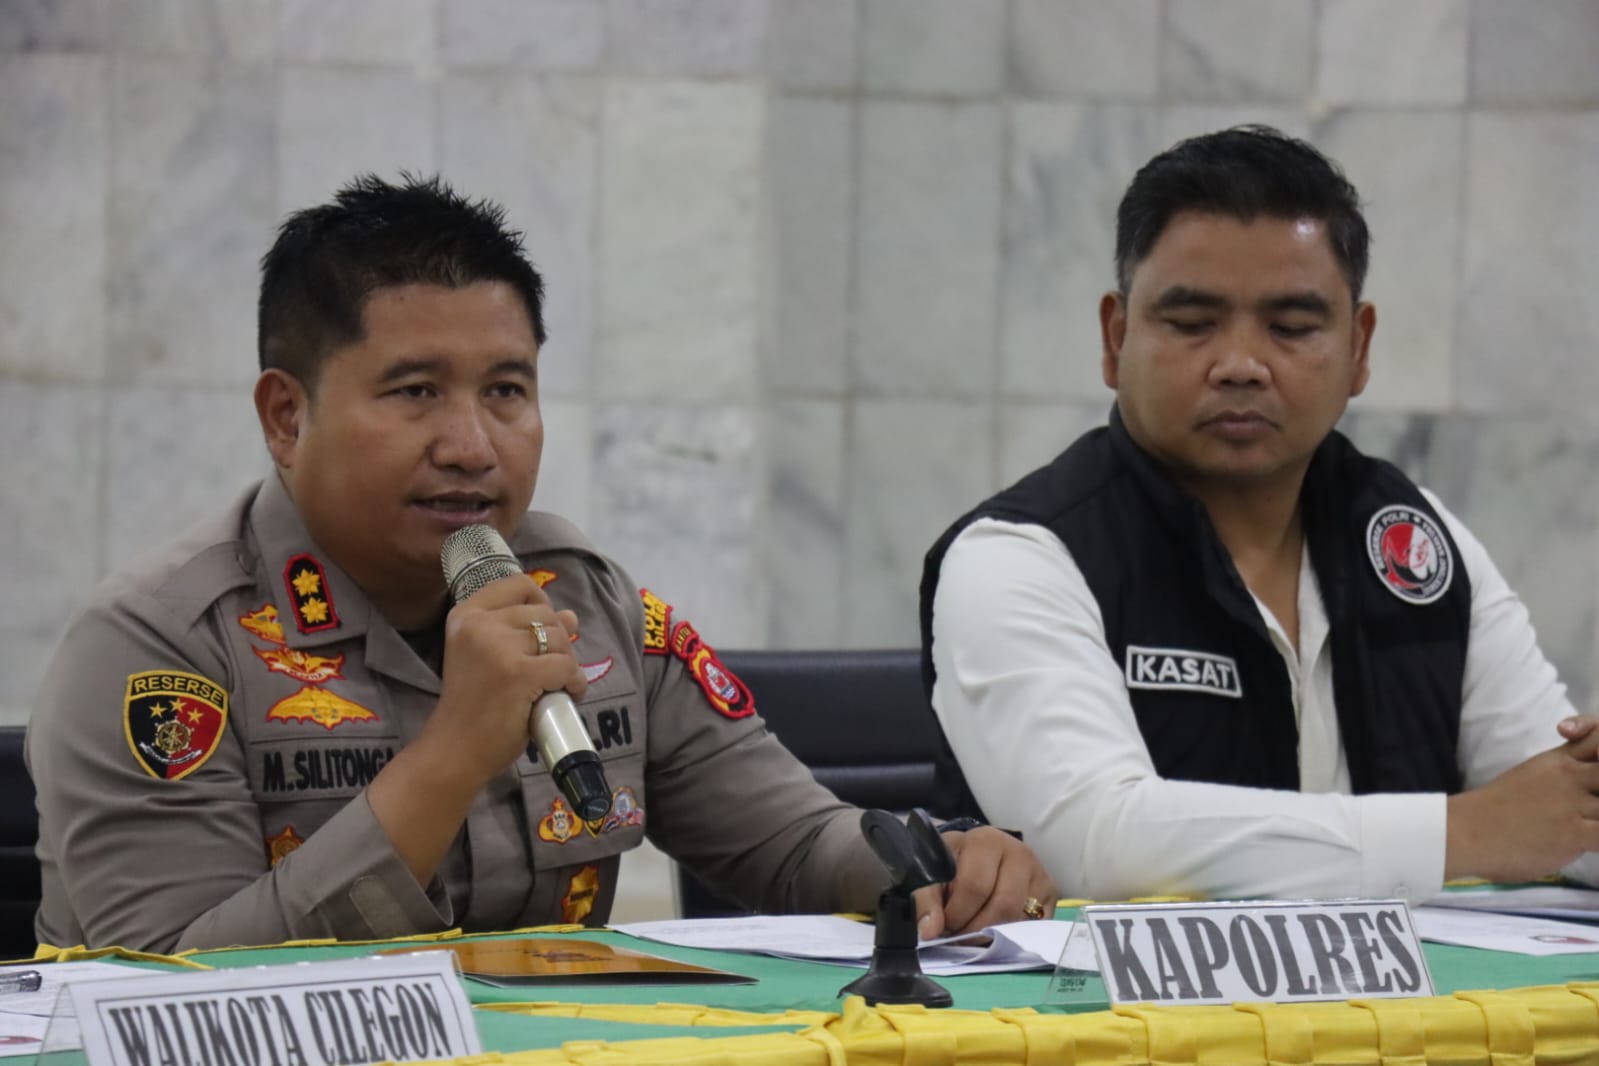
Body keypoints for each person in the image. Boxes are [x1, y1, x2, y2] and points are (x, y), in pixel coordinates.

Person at [28, 175, 1056, 954]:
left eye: (507, 391)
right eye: (415, 392)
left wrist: (936, 863)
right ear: (286, 417)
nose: (472, 445)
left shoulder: (586, 598)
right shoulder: (163, 643)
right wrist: (454, 750)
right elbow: (165, 988)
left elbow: (792, 841)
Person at [920, 126, 1599, 905]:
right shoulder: (1017, 555)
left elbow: (1554, 814)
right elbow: (1091, 844)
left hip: (1415, 988)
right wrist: (1465, 833)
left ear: (1358, 347)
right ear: (1115, 337)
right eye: (1191, 323)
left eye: (1291, 327)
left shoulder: (1412, 543)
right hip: (1106, 988)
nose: (1240, 364)